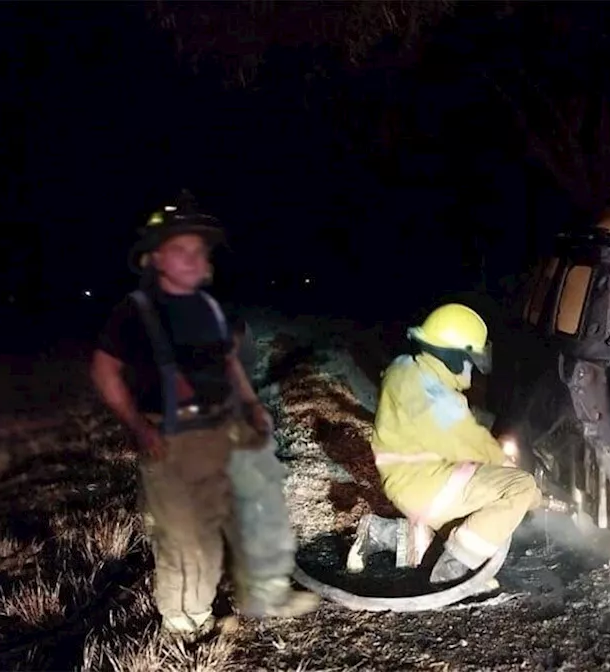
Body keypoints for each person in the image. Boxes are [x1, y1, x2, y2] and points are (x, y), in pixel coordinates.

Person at [89, 190, 317, 636]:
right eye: (181, 249)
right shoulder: (134, 312)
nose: (194, 257)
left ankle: (207, 609)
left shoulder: (210, 310)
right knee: (181, 539)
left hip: (215, 433)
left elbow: (230, 362)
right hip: (167, 438)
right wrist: (137, 425)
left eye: (199, 249)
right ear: (154, 258)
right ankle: (179, 620)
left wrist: (251, 406)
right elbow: (104, 372)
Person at [347, 303, 543, 584]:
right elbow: (471, 443)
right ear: (454, 356)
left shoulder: (405, 369)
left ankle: (378, 532)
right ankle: (453, 573)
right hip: (427, 483)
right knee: (519, 487)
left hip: (409, 480)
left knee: (460, 530)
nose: (471, 371)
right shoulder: (434, 392)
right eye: (469, 361)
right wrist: (527, 489)